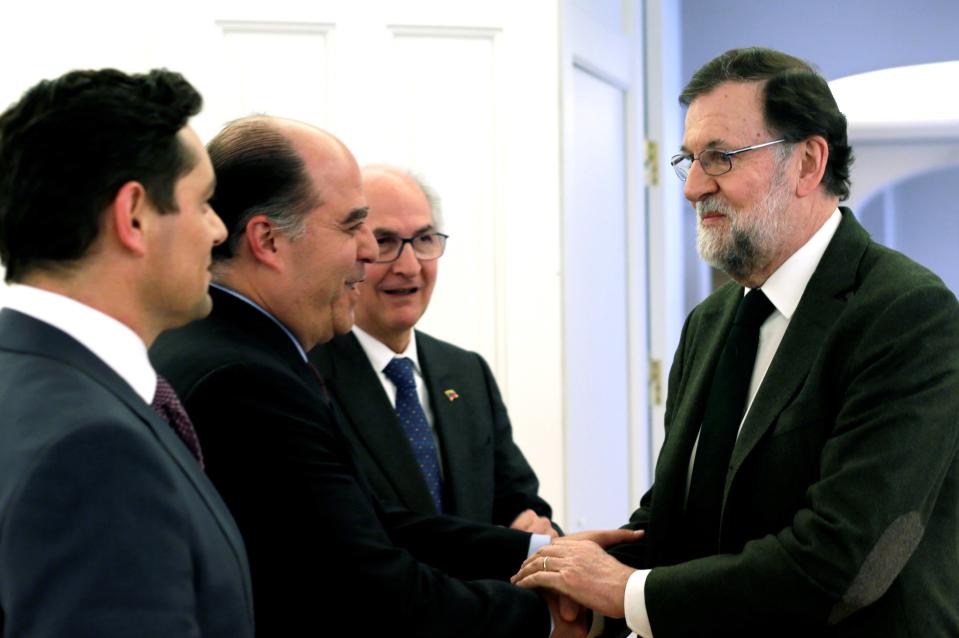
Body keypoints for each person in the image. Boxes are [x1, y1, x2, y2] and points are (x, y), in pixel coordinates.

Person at [512, 47, 959, 637]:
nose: (693, 187)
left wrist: (626, 591)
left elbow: (843, 561)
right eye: (689, 159)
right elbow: (681, 512)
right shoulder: (712, 319)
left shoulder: (908, 315)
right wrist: (591, 580)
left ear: (807, 164)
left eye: (719, 158)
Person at [150, 115, 637, 637]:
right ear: (267, 240)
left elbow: (372, 521)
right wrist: (548, 619)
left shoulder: (238, 349)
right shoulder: (246, 378)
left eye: (422, 238)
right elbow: (368, 590)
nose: (370, 253)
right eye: (352, 227)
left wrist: (545, 550)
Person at [0, 69, 253, 636]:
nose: (217, 230)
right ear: (133, 215)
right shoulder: (95, 450)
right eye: (205, 202)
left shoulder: (23, 383)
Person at [309, 165, 556, 534]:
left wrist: (539, 538)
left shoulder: (466, 373)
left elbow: (520, 506)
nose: (409, 267)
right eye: (385, 242)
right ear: (352, 252)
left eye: (424, 240)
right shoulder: (309, 375)